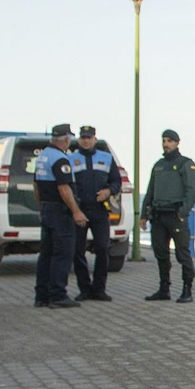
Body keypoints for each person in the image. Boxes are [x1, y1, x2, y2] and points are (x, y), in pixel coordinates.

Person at [140, 129, 195, 303]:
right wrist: (144, 214)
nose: (166, 144)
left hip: (175, 216)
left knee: (182, 253)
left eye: (170, 141)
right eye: (164, 141)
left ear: (177, 143)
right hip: (159, 216)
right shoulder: (158, 165)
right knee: (161, 254)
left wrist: (183, 212)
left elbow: (192, 190)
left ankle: (187, 289)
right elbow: (150, 191)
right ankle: (164, 289)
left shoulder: (185, 164)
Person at [32, 124, 87, 309]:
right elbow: (64, 188)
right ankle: (57, 295)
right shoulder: (60, 159)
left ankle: (42, 295)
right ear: (66, 139)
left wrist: (41, 206)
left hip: (47, 208)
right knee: (63, 253)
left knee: (46, 254)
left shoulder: (42, 156)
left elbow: (36, 185)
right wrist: (76, 211)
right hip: (60, 211)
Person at [68, 126, 118, 301]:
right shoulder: (70, 159)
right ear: (79, 140)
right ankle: (84, 289)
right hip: (79, 210)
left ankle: (99, 289)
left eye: (89, 138)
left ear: (95, 139)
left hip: (100, 210)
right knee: (77, 250)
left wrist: (108, 191)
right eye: (83, 138)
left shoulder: (106, 158)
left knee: (103, 248)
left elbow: (116, 181)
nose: (86, 141)